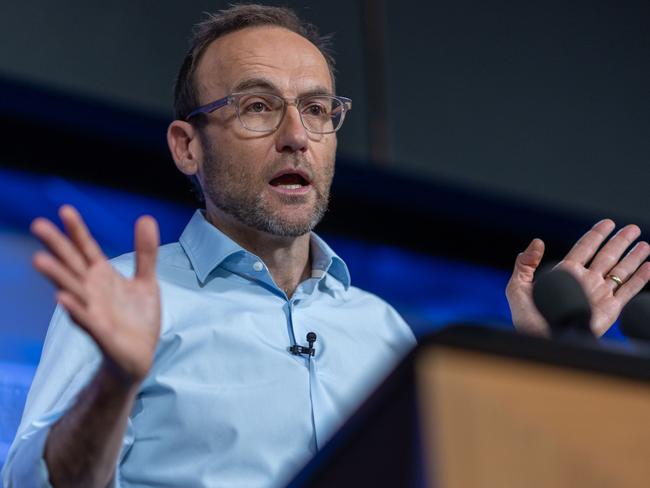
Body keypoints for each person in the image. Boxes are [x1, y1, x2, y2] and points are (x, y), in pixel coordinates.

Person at [3, 4, 649, 488]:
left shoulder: (385, 330)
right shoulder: (125, 301)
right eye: (258, 106)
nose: (296, 136)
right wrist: (117, 381)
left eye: (317, 110)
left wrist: (540, 361)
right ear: (187, 146)